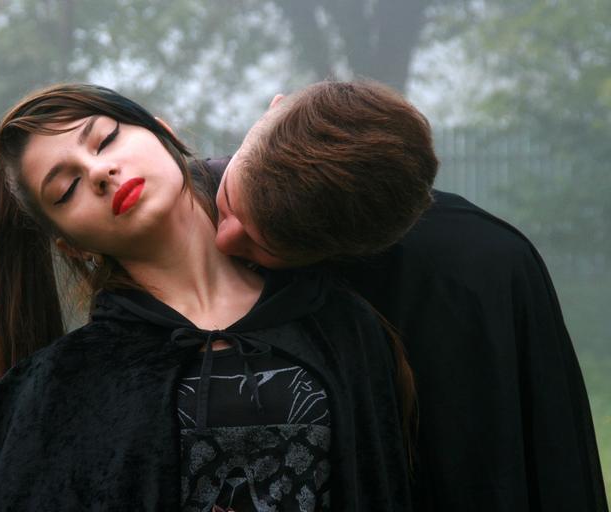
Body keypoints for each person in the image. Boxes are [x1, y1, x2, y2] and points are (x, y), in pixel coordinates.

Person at [0, 83, 420, 511]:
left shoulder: (338, 321)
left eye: (105, 140)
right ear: (72, 246)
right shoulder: (67, 384)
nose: (100, 171)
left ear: (164, 133)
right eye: (67, 189)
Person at [210, 79, 608, 511]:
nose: (223, 241)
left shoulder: (484, 268)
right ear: (275, 107)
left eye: (261, 246)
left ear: (354, 249)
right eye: (230, 199)